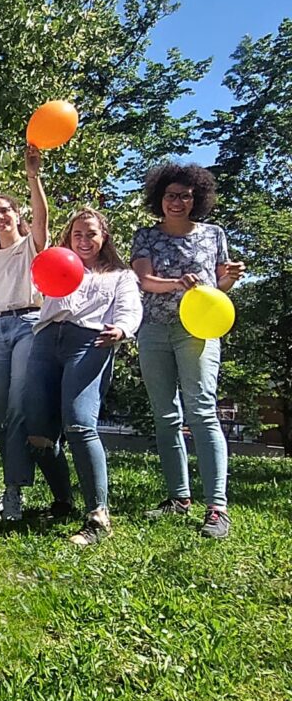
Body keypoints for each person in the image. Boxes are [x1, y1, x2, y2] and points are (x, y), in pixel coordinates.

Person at [131, 163, 245, 538]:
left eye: (184, 196)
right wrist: (178, 283)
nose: (177, 202)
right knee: (165, 415)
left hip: (198, 331)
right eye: (170, 195)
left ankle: (217, 507)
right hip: (154, 329)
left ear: (197, 199)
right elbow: (145, 281)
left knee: (202, 412)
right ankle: (179, 498)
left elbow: (217, 288)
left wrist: (229, 278)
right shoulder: (146, 236)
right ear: (159, 198)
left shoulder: (214, 234)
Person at [24, 208, 142, 546]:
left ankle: (98, 517)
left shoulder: (120, 275)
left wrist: (122, 329)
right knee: (38, 431)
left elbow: (130, 308)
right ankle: (63, 502)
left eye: (91, 233)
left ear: (104, 237)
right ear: (69, 237)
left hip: (90, 342)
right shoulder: (57, 263)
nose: (84, 240)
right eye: (77, 234)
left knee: (78, 423)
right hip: (46, 341)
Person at [0, 145, 73, 521]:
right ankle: (12, 489)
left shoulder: (31, 246)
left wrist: (33, 177)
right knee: (4, 415)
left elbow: (43, 219)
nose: (0, 217)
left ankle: (13, 491)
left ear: (17, 215)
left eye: (5, 211)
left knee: (18, 407)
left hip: (27, 324)